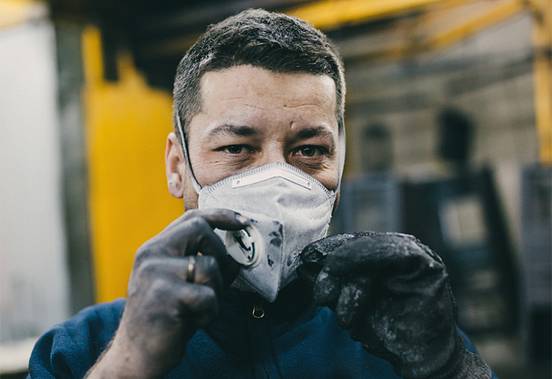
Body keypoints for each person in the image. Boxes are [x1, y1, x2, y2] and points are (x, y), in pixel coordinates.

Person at [28, 9, 496, 379]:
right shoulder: (80, 350)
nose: (277, 178)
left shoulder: (392, 330)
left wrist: (449, 368)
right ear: (177, 167)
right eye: (236, 147)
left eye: (310, 149)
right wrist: (129, 361)